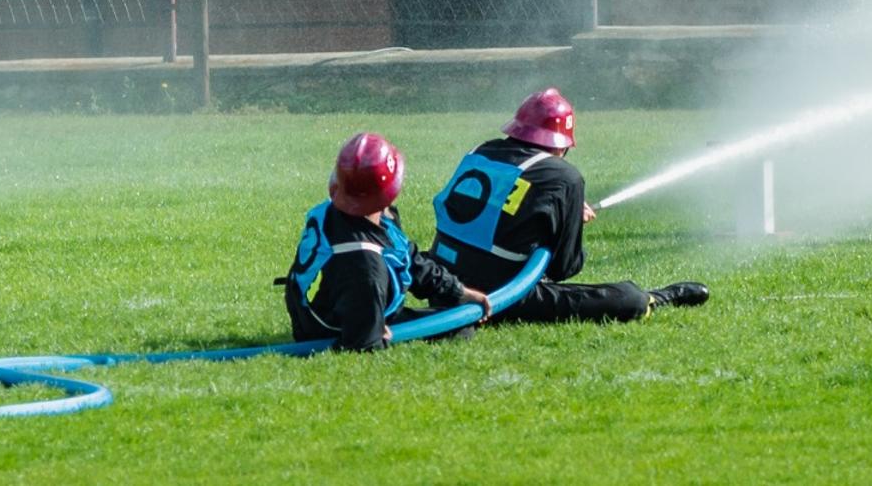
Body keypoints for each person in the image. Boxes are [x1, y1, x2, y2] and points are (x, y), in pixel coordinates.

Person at [427, 87, 709, 323]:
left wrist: (562, 211)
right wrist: (567, 218)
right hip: (500, 296)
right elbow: (565, 268)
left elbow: (502, 208)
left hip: (440, 282)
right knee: (627, 299)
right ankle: (657, 297)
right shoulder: (564, 177)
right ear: (561, 144)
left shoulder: (483, 150)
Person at [282, 132, 492, 351]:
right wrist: (372, 328)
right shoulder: (364, 265)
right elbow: (361, 347)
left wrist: (457, 291)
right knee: (461, 325)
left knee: (458, 314)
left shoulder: (368, 215)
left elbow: (407, 257)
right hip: (340, 324)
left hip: (346, 302)